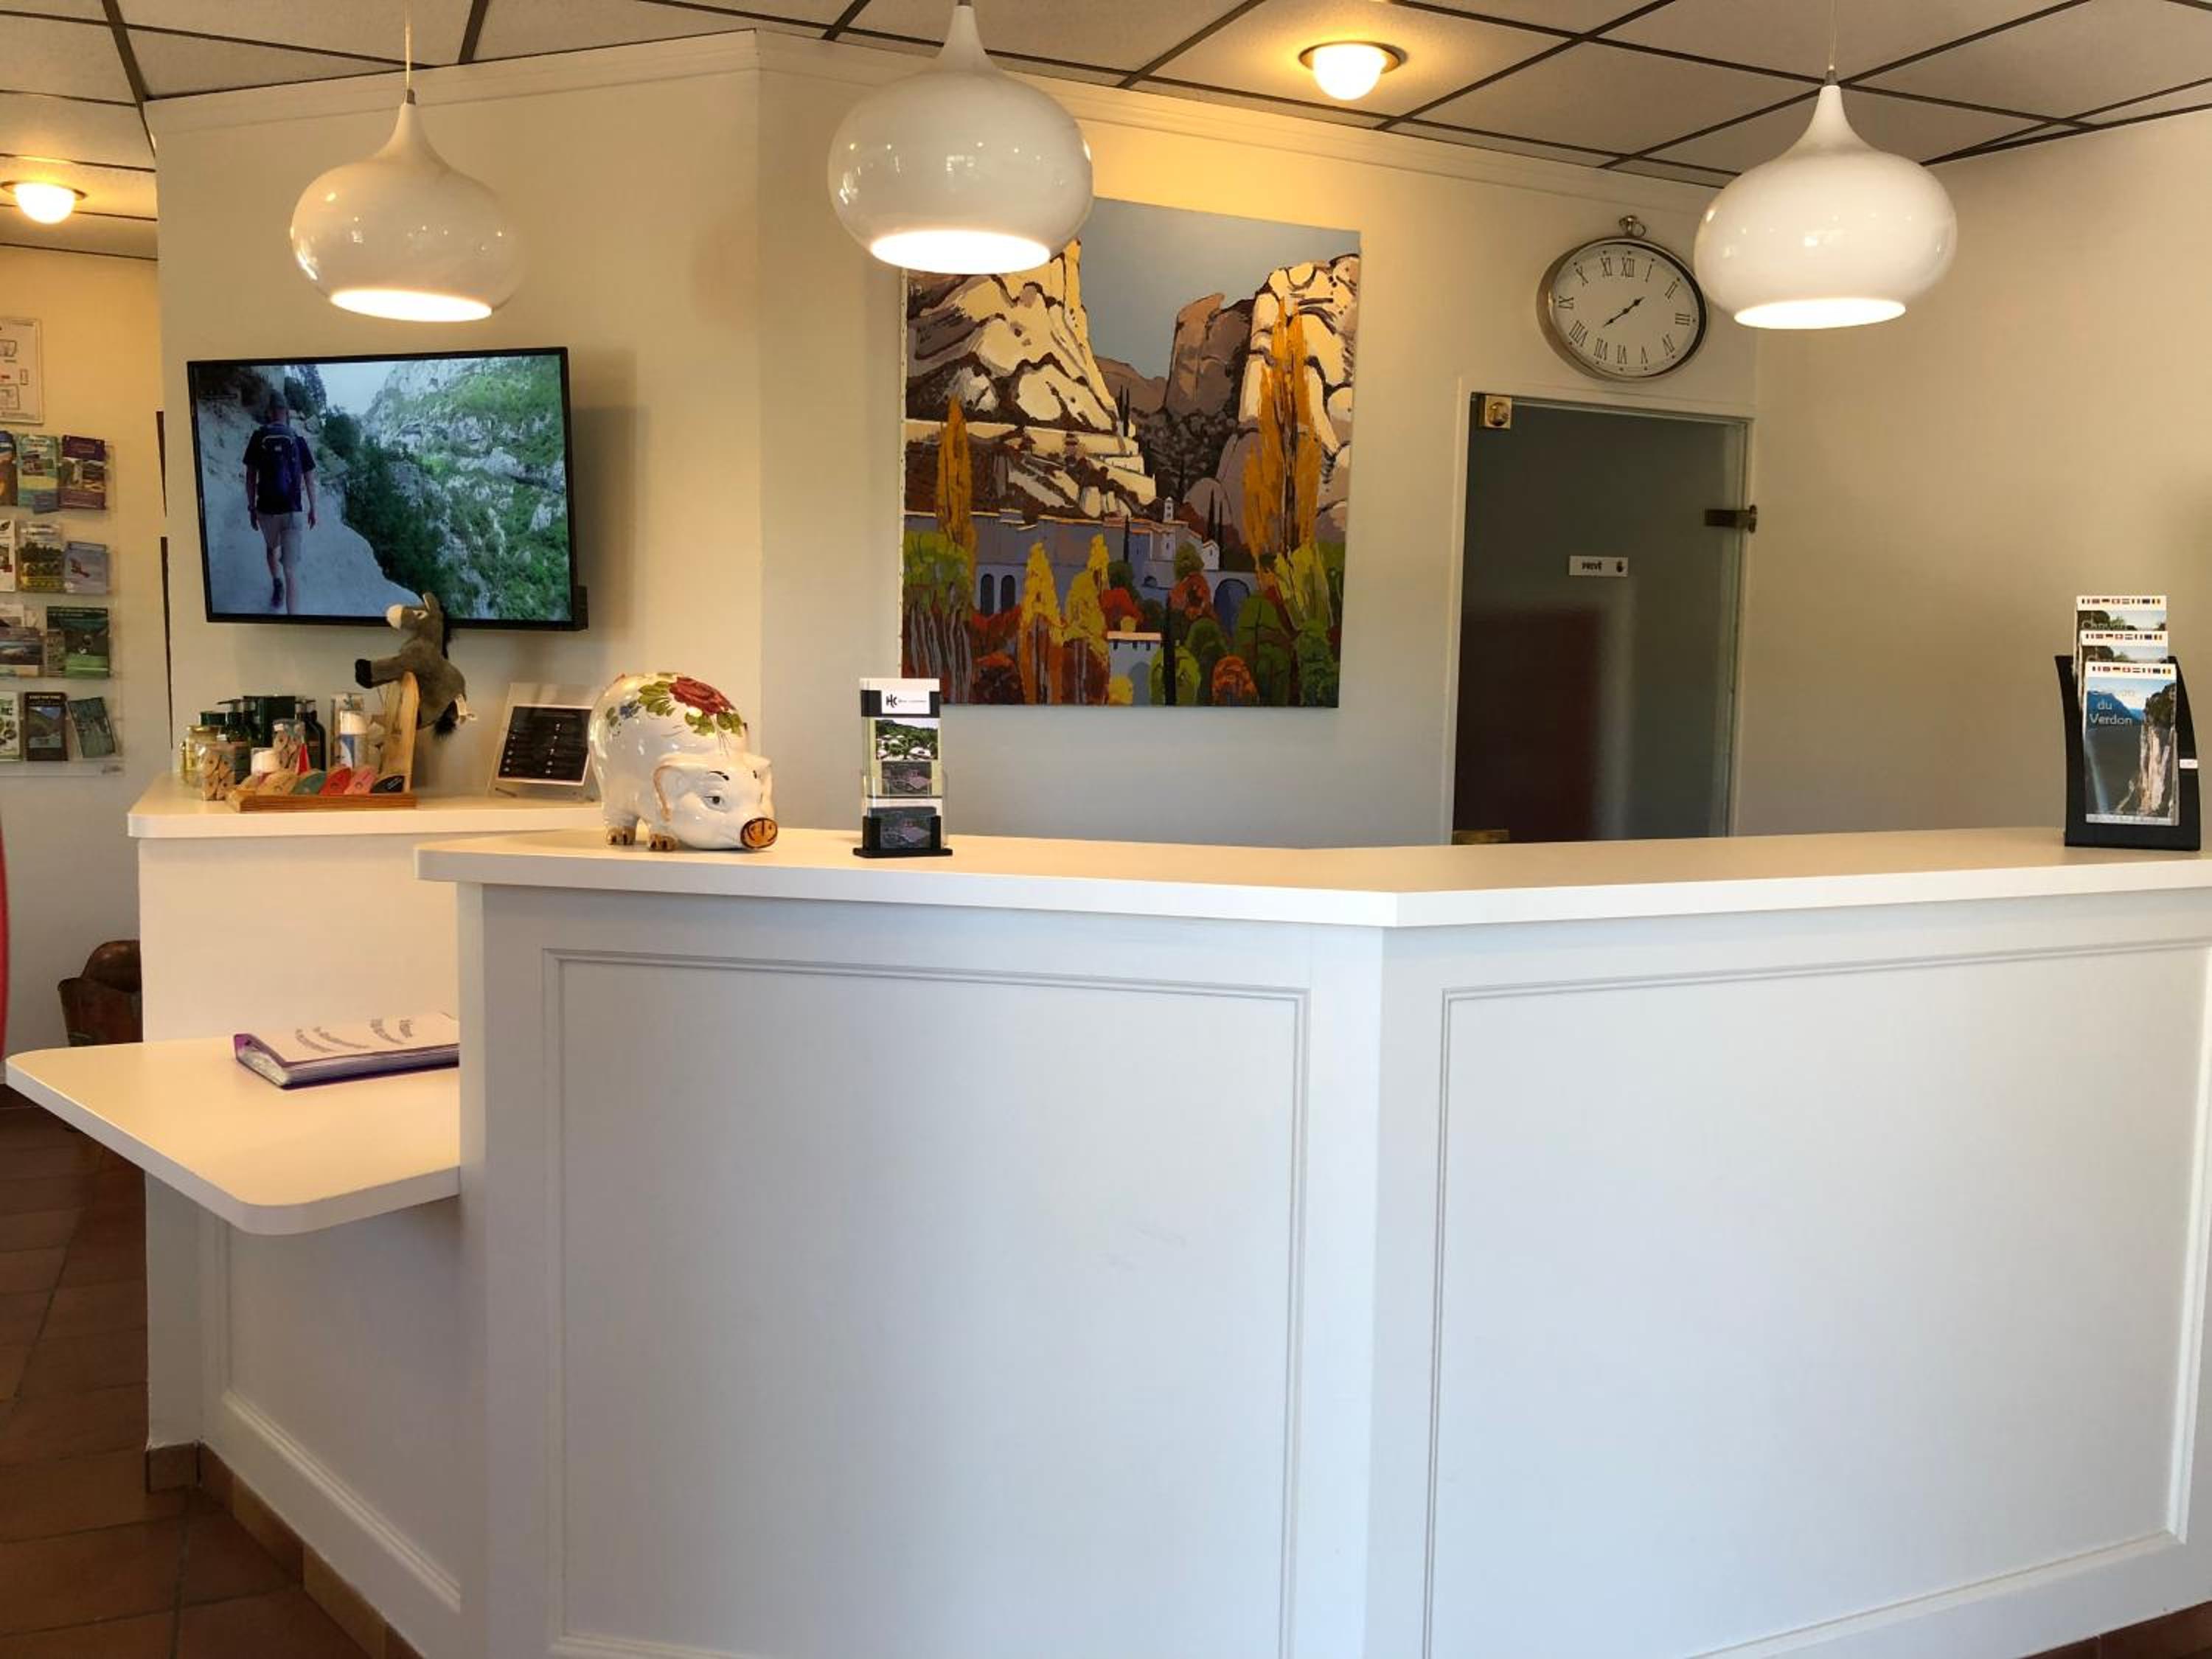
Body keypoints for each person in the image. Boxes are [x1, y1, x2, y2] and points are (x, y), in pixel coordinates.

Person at [243, 396, 318, 613]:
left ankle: (277, 584)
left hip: (266, 510)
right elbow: (309, 479)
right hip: (292, 511)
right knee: (291, 571)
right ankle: (293, 620)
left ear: (269, 412)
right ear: (287, 412)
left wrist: (251, 508)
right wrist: (313, 509)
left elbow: (250, 476)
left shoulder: (258, 437)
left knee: (271, 549)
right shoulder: (298, 440)